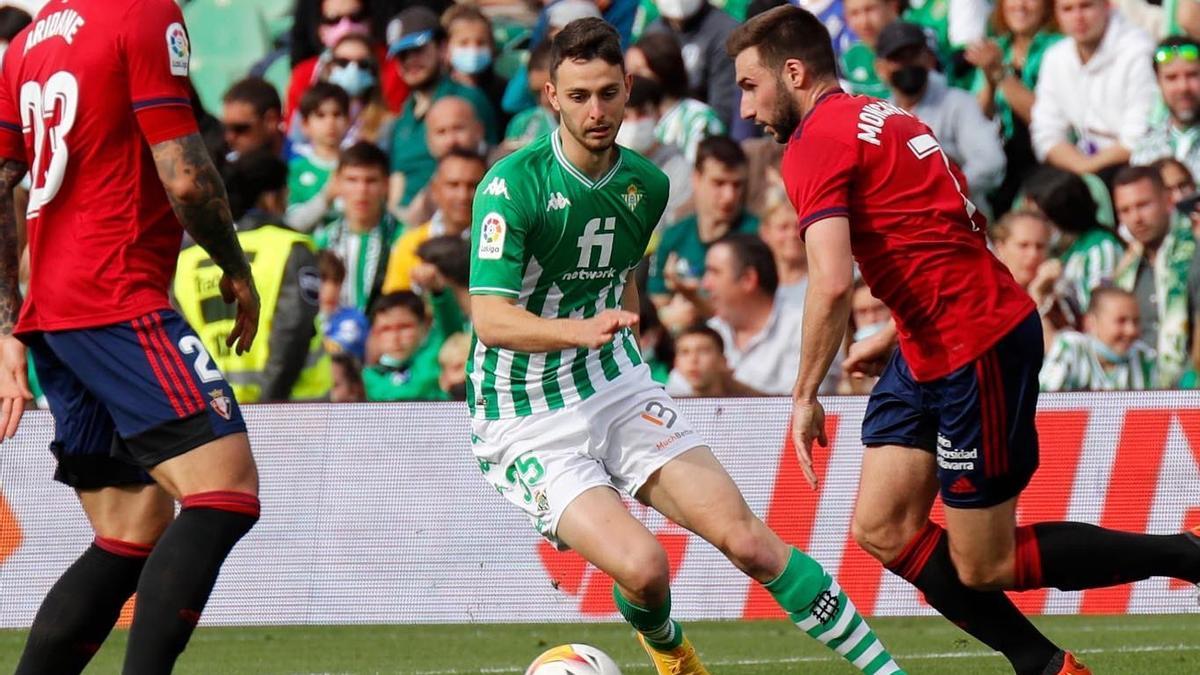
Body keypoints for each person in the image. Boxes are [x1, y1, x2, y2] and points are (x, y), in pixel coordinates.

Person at [728, 6, 1200, 675]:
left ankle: (1185, 555)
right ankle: (1044, 663)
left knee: (987, 562)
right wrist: (894, 327)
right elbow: (958, 229)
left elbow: (831, 282)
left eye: (750, 86)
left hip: (974, 345)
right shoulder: (886, 116)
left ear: (794, 72)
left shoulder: (813, 142)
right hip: (928, 342)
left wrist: (805, 393)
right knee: (883, 527)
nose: (744, 108)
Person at [469, 18, 903, 675]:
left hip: (614, 384)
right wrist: (578, 329)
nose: (597, 110)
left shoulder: (647, 183)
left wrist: (622, 327)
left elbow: (624, 274)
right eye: (579, 95)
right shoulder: (511, 186)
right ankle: (674, 652)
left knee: (751, 542)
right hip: (525, 416)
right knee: (645, 569)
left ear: (627, 92)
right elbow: (491, 319)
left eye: (609, 94)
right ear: (552, 96)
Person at [0, 1, 262, 673]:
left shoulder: (27, 43)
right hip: (114, 296)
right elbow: (184, 173)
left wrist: (7, 328)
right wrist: (235, 267)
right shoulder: (142, 13)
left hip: (51, 314)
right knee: (223, 493)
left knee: (129, 531)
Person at [176, 151, 330, 403]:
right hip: (293, 411)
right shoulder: (291, 248)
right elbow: (293, 333)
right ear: (271, 198)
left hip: (216, 412)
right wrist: (267, 407)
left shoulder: (188, 258)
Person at [874, 21, 1007, 216]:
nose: (907, 64)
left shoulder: (959, 103)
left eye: (914, 55)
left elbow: (991, 161)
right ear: (880, 68)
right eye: (898, 58)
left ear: (929, 58)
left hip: (960, 220)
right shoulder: (877, 117)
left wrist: (943, 193)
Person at [386, 6, 498, 214]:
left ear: (442, 48)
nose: (410, 60)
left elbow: (490, 163)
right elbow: (397, 180)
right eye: (402, 55)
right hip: (404, 225)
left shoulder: (468, 98)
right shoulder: (404, 114)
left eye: (418, 50)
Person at [1031, 0, 1157, 180]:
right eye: (1067, 9)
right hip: (1077, 165)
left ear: (1107, 5)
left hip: (1132, 168)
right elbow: (1046, 133)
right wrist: (1081, 168)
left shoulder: (1138, 50)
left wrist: (1086, 169)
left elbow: (1138, 140)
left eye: (1086, 6)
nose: (1078, 17)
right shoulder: (1055, 57)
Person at [701, 233, 837, 394]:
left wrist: (728, 386)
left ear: (748, 279)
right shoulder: (711, 330)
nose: (705, 284)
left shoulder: (802, 331)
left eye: (714, 272)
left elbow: (804, 405)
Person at [965, 0, 1062, 215]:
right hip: (1005, 167)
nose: (1020, 5)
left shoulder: (1059, 48)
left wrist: (999, 73)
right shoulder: (996, 48)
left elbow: (1044, 117)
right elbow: (978, 118)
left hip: (1048, 163)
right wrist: (990, 81)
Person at [1111, 165, 1197, 387]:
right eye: (1125, 210)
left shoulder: (1195, 250)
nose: (1136, 218)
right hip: (1140, 395)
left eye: (1143, 205)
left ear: (1168, 200)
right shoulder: (1125, 270)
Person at [647, 136, 759, 303]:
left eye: (737, 185)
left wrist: (694, 300)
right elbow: (657, 299)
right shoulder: (674, 236)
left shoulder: (755, 237)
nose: (729, 197)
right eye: (719, 183)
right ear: (696, 179)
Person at [383, 148, 485, 293]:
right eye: (453, 185)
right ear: (435, 190)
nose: (463, 196)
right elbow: (395, 305)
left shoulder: (497, 244)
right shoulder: (409, 244)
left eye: (473, 185)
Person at [316, 142, 402, 313]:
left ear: (386, 185)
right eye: (352, 180)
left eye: (371, 181)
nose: (361, 190)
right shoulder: (322, 240)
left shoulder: (403, 237)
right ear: (337, 183)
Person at [626, 32, 725, 162]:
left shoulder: (698, 119)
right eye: (627, 71)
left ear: (662, 70)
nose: (631, 79)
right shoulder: (627, 119)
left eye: (638, 71)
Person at [1040, 286, 1156, 391]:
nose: (1131, 331)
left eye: (1136, 321)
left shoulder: (1146, 359)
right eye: (1121, 321)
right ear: (1091, 323)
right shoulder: (1070, 348)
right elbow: (1043, 405)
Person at [287, 82, 351, 234]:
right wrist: (327, 197)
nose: (330, 123)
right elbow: (291, 224)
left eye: (337, 114)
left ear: (348, 120)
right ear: (305, 124)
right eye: (320, 115)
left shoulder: (358, 167)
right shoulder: (294, 171)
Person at [1132, 37, 1200, 178]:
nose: (1183, 87)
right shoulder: (1145, 148)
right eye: (1171, 78)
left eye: (1192, 75)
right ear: (1158, 82)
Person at [666, 323, 762, 396]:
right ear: (676, 363)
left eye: (703, 351)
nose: (693, 359)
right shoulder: (668, 402)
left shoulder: (748, 403)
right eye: (685, 352)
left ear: (723, 361)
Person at [841, 0, 902, 98]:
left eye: (870, 9)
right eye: (854, 13)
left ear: (893, 6)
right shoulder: (849, 58)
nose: (864, 22)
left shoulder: (916, 48)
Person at [758, 197, 808, 307]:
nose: (792, 235)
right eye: (783, 228)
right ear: (765, 233)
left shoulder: (824, 281)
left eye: (798, 227)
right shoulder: (756, 286)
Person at [222, 76, 285, 162]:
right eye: (226, 128)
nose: (229, 137)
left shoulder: (305, 164)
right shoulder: (227, 166)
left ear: (271, 120)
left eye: (240, 128)